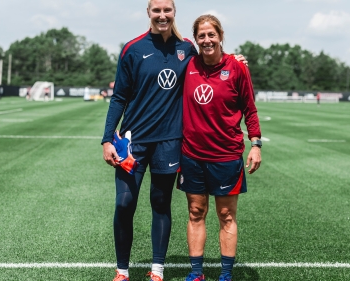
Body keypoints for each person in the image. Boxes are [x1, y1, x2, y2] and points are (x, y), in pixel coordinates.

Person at [101, 1, 197, 280]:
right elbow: (119, 97)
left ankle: (157, 270)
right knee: (124, 202)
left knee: (160, 201)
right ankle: (122, 270)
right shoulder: (133, 49)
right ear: (149, 13)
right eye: (157, 10)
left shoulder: (187, 48)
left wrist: (234, 60)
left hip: (169, 141)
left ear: (174, 13)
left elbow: (212, 62)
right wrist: (107, 139)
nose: (162, 15)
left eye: (167, 10)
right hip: (133, 142)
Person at [179, 14, 262, 281]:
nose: (206, 40)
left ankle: (225, 275)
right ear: (196, 40)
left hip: (226, 156)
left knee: (226, 215)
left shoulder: (237, 68)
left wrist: (256, 143)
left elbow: (250, 109)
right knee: (195, 212)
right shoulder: (188, 64)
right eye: (201, 36)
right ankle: (196, 273)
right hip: (191, 154)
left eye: (211, 35)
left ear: (221, 36)